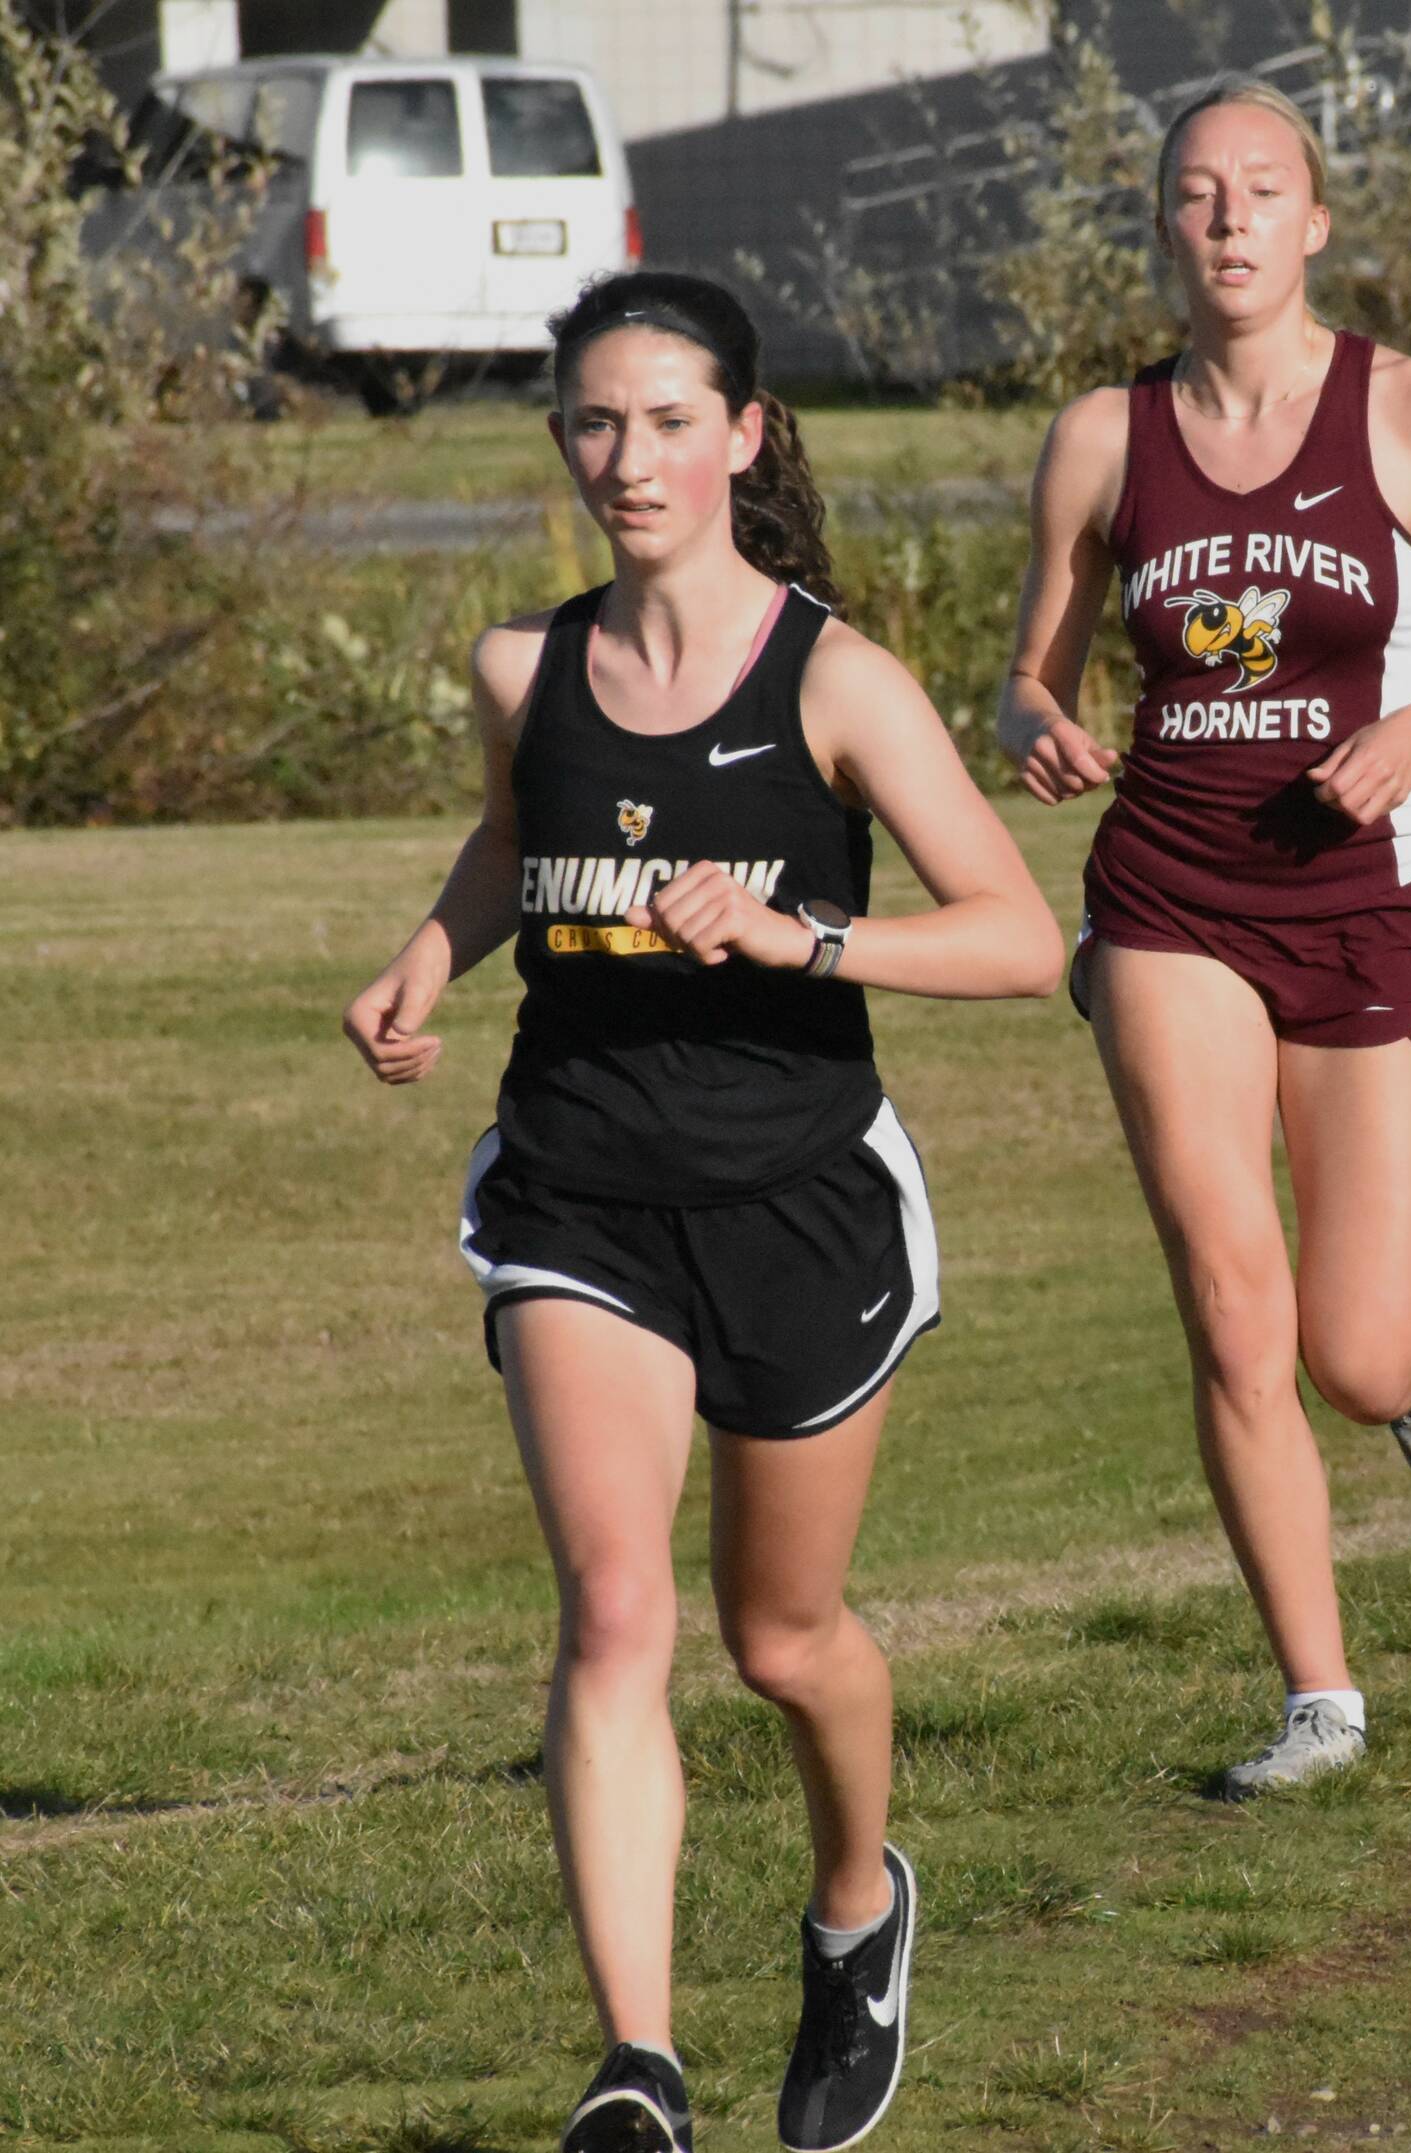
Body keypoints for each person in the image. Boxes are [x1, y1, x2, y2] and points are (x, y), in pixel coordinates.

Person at [344, 271, 1063, 2153]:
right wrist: (425, 958)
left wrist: (800, 931)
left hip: (799, 1201)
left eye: (669, 420)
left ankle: (854, 1905)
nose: (628, 456)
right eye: (596, 420)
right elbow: (517, 842)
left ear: (744, 434)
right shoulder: (527, 666)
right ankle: (639, 2070)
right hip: (580, 1189)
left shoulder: (835, 681)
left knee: (785, 1637)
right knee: (610, 1610)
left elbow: (1019, 935)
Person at [997, 81, 1411, 1799]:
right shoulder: (1103, 437)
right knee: (1227, 1296)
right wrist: (1030, 717)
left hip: (1370, 901)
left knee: (1351, 1348)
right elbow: (1026, 665)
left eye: (1261, 190)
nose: (1230, 220)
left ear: (1316, 220)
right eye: (1197, 194)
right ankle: (1320, 1699)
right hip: (1169, 898)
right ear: (1164, 225)